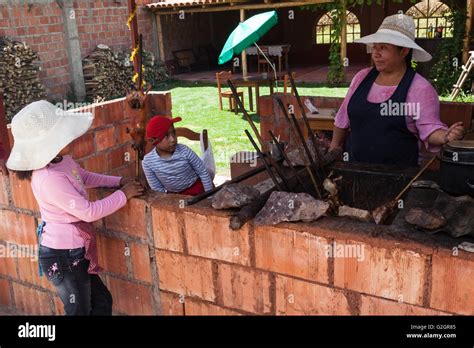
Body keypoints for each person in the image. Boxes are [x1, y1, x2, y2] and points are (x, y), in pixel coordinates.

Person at [6, 100, 144, 315]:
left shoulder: (61, 161)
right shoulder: (48, 178)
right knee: (79, 309)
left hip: (74, 253)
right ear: (47, 144)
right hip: (63, 256)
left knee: (101, 302)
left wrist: (117, 181)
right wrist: (123, 196)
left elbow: (84, 176)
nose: (70, 137)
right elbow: (88, 212)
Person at [329, 14, 465, 166]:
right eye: (375, 46)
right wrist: (333, 150)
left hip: (399, 177)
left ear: (404, 51)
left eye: (383, 48)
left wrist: (445, 136)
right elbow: (342, 118)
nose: (376, 53)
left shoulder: (420, 89)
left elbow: (429, 128)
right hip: (355, 168)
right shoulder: (362, 78)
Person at [142, 115, 213, 196]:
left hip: (198, 190)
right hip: (174, 197)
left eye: (174, 133)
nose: (173, 139)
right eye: (166, 136)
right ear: (152, 141)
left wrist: (209, 196)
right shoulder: (148, 162)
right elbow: (157, 189)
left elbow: (203, 172)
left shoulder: (185, 151)